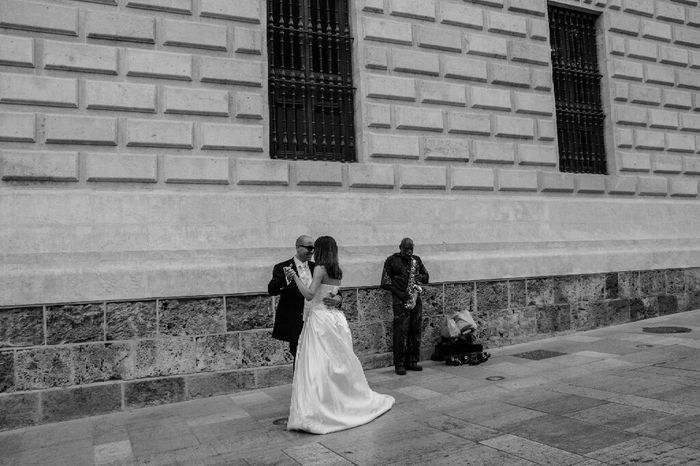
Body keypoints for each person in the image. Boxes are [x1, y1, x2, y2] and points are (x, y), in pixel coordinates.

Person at [285, 236, 394, 434]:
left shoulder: (319, 269)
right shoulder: (337, 270)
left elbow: (310, 295)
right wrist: (338, 299)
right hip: (336, 319)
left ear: (320, 249)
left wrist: (294, 278)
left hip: (320, 320)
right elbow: (332, 295)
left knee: (317, 365)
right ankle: (338, 401)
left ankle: (321, 407)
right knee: (337, 363)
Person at [268, 235, 340, 366]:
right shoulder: (282, 267)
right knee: (298, 353)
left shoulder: (317, 267)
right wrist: (287, 279)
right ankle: (301, 385)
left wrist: (338, 298)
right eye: (308, 248)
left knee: (319, 354)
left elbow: (333, 289)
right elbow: (272, 290)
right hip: (296, 319)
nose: (312, 251)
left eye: (314, 248)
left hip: (317, 318)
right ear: (297, 247)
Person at [381, 238, 429, 375]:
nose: (409, 251)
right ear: (400, 247)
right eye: (406, 249)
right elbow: (385, 282)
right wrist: (401, 295)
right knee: (400, 332)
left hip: (414, 298)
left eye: (411, 249)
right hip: (399, 300)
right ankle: (399, 363)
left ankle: (412, 361)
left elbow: (427, 277)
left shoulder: (416, 260)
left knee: (415, 330)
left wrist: (418, 277)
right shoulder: (391, 260)